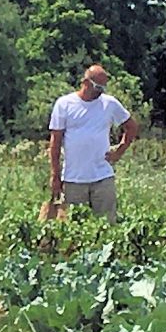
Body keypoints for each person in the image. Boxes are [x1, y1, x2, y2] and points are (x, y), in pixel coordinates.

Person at [46, 64, 136, 221]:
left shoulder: (110, 104)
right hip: (74, 180)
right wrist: (55, 175)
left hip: (103, 177)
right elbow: (55, 143)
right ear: (85, 83)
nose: (100, 91)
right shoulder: (64, 104)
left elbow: (131, 126)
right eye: (98, 87)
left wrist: (120, 150)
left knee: (108, 225)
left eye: (103, 88)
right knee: (76, 229)